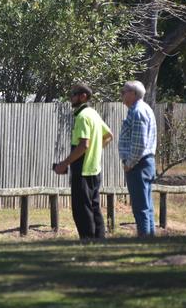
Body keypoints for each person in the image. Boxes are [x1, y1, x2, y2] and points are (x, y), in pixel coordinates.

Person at [54, 84, 113, 240]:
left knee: (82, 209)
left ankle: (88, 242)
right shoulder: (93, 113)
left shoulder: (82, 116)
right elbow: (109, 136)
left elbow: (83, 145)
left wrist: (64, 164)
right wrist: (96, 151)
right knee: (94, 207)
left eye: (73, 94)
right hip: (95, 169)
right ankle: (99, 241)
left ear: (83, 96)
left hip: (83, 170)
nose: (70, 97)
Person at [118, 80, 157, 237]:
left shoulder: (138, 111)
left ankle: (144, 240)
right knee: (146, 205)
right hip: (144, 162)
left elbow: (139, 143)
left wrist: (129, 163)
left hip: (138, 164)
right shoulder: (143, 108)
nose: (121, 94)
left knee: (140, 206)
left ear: (133, 94)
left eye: (124, 91)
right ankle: (150, 239)